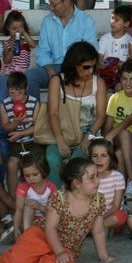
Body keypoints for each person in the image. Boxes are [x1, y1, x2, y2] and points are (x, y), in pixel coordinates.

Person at [0, 158, 117, 263]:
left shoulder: (98, 200)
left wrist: (103, 256)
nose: (97, 181)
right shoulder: (60, 198)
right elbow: (50, 229)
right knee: (20, 257)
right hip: (41, 236)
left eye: (97, 176)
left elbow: (98, 231)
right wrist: (58, 251)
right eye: (92, 178)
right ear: (76, 183)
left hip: (68, 248)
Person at [44, 42, 107, 187]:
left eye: (93, 66)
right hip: (62, 133)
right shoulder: (57, 80)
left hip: (89, 135)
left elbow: (101, 116)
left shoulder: (99, 83)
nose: (91, 71)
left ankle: (72, 201)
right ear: (74, 65)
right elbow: (52, 114)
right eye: (86, 67)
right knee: (52, 158)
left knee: (77, 162)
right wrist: (60, 140)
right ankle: (57, 199)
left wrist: (88, 136)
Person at [25, 0, 98, 99]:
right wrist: (50, 71)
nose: (51, 8)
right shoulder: (47, 21)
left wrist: (74, 69)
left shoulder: (86, 21)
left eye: (54, 4)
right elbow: (42, 51)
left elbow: (90, 52)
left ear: (67, 1)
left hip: (77, 68)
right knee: (29, 76)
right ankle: (35, 113)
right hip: (54, 67)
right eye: (50, 4)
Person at [0, 72, 40, 194]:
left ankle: (37, 193)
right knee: (11, 165)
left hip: (33, 141)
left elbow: (38, 127)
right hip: (16, 143)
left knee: (36, 164)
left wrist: (20, 134)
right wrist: (16, 123)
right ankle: (13, 197)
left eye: (20, 93)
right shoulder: (4, 105)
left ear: (26, 89)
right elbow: (6, 128)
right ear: (8, 90)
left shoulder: (34, 103)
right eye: (12, 93)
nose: (16, 97)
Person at [103, 60, 132, 182]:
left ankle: (128, 184)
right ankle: (130, 183)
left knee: (120, 154)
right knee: (123, 134)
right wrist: (109, 136)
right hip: (117, 140)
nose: (128, 83)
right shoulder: (115, 98)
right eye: (124, 79)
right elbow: (107, 128)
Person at [13, 152, 57, 239]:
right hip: (29, 221)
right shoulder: (23, 187)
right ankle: (27, 235)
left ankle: (30, 235)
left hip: (47, 221)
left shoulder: (51, 188)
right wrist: (16, 227)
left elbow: (53, 212)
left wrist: (39, 206)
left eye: (35, 175)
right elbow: (19, 209)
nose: (31, 179)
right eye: (27, 176)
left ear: (43, 171)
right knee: (28, 206)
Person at [89, 139, 128, 233]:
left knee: (121, 216)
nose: (99, 159)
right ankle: (98, 230)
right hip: (92, 216)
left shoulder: (117, 177)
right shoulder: (88, 177)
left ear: (110, 158)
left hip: (109, 216)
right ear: (90, 158)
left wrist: (100, 219)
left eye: (103, 156)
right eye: (95, 156)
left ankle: (93, 230)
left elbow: (116, 206)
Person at [98, 5, 132, 90]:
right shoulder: (105, 38)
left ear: (126, 24)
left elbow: (131, 59)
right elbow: (100, 55)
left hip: (121, 75)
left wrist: (123, 64)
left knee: (119, 87)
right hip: (105, 73)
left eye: (117, 20)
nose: (112, 22)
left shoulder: (130, 40)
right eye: (112, 18)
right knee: (99, 85)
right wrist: (100, 61)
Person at [1, 11, 37, 75]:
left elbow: (34, 45)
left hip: (23, 74)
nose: (17, 32)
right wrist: (12, 51)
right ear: (8, 28)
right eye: (14, 29)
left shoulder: (25, 42)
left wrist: (24, 32)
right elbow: (6, 61)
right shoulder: (6, 44)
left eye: (20, 29)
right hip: (10, 73)